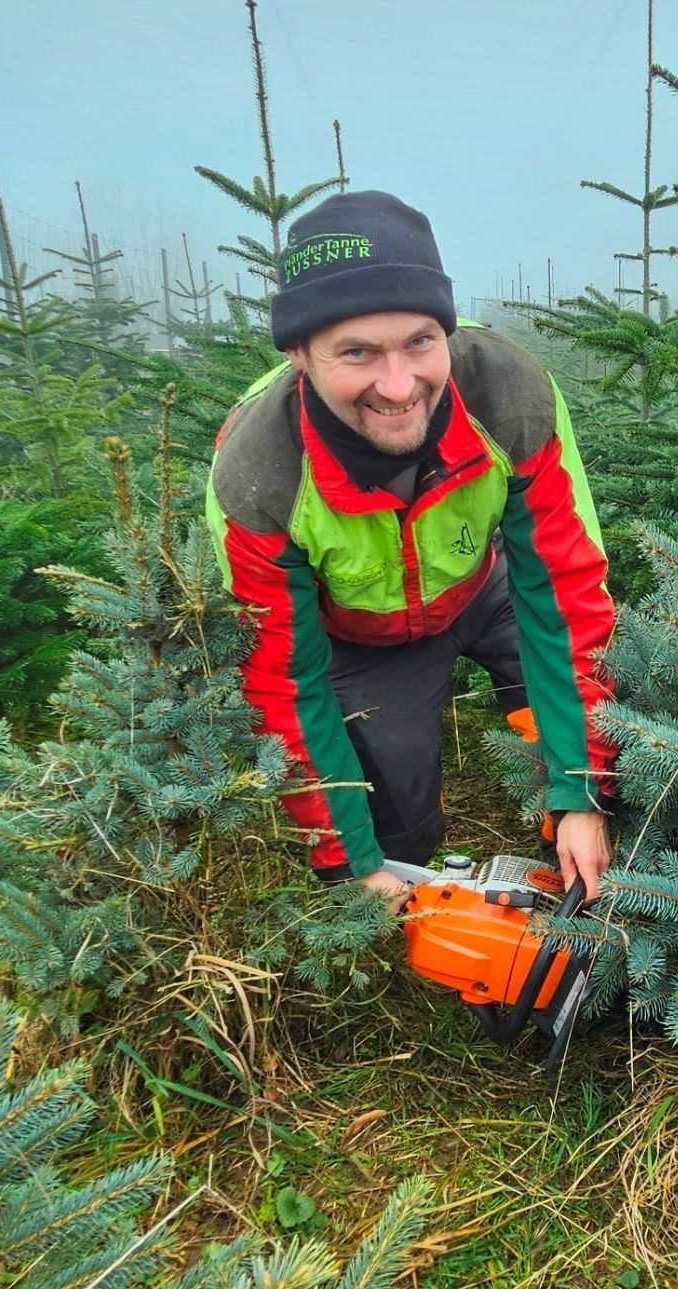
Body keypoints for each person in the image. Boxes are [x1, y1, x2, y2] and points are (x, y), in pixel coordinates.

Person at [207, 190, 615, 912]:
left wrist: (581, 788)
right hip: (360, 637)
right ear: (299, 353)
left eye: (420, 342)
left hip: (485, 589)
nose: (398, 386)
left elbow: (565, 598)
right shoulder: (259, 473)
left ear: (446, 332)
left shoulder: (511, 398)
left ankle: (564, 814)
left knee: (595, 730)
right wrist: (353, 860)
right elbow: (282, 682)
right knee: (393, 822)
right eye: (357, 351)